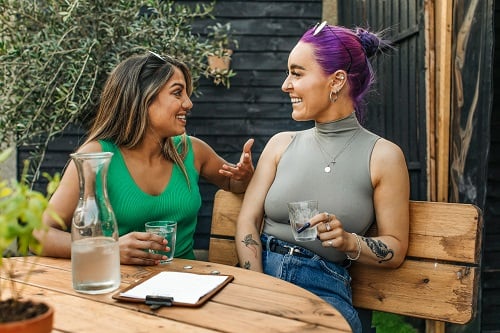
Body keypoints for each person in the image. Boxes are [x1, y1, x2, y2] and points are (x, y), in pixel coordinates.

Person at [235, 21, 409, 333]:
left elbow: (394, 248)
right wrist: (256, 284)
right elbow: (248, 221)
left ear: (337, 81)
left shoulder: (383, 156)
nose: (285, 85)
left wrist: (347, 241)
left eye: (297, 73)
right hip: (258, 277)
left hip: (323, 289)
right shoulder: (280, 144)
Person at [36, 52, 254, 265]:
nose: (188, 104)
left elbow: (231, 182)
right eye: (177, 93)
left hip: (188, 285)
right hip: (119, 288)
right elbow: (40, 235)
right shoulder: (96, 156)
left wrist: (243, 175)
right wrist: (108, 249)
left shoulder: (192, 150)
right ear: (143, 98)